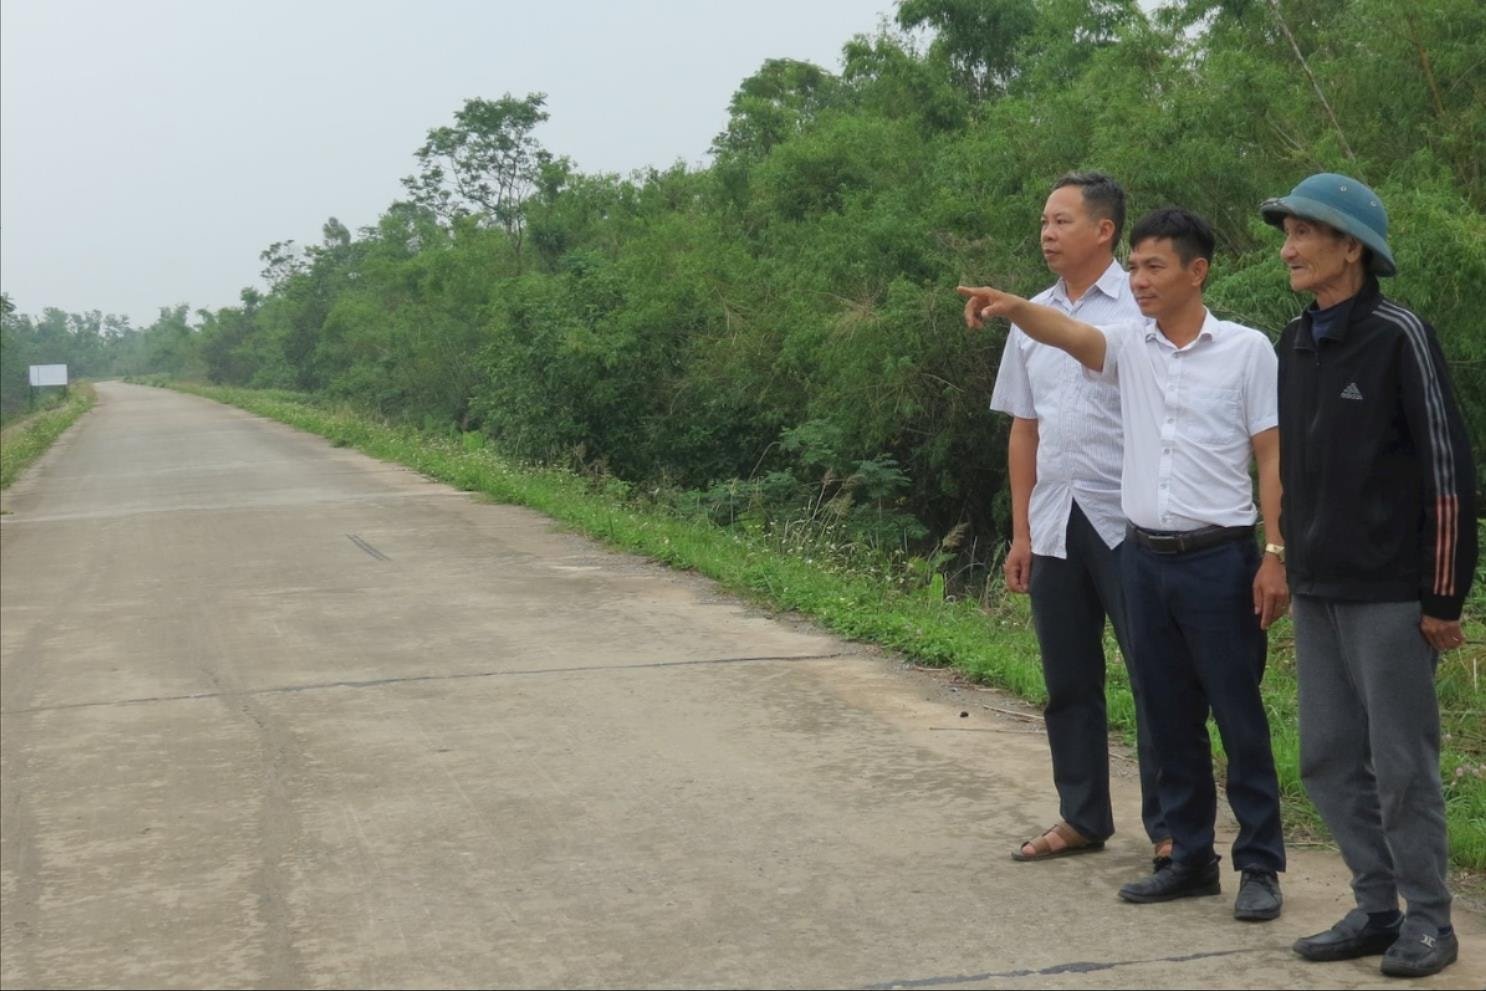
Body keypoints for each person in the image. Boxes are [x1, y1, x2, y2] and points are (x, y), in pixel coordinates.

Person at [959, 207, 1289, 922]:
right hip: (1143, 556)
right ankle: (1190, 857)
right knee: (1168, 717)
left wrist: (1275, 552)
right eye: (1134, 267)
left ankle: (1260, 863)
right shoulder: (1129, 347)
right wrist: (1016, 307)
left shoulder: (1246, 350)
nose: (1138, 280)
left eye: (1153, 267)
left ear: (1196, 272)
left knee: (1237, 716)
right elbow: (1068, 333)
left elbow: (1272, 456)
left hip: (1221, 560)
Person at [1259, 173, 1477, 979]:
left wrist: (1444, 593)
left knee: (1402, 762)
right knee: (1324, 755)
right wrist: (1279, 555)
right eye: (1286, 233)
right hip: (1317, 586)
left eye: (1303, 233)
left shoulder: (1398, 335)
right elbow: (1290, 467)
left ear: (1351, 247)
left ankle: (1428, 920)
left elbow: (1448, 471)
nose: (1288, 248)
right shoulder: (1295, 339)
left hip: (1390, 592)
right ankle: (1376, 902)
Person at [985, 172, 1169, 865]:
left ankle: (1172, 826)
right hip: (1056, 517)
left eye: (1061, 221)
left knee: (1155, 674)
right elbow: (1023, 428)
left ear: (1104, 230)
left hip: (1131, 518)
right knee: (1068, 678)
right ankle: (1082, 815)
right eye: (1042, 222)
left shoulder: (1143, 302)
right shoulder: (1029, 315)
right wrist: (1022, 530)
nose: (1047, 233)